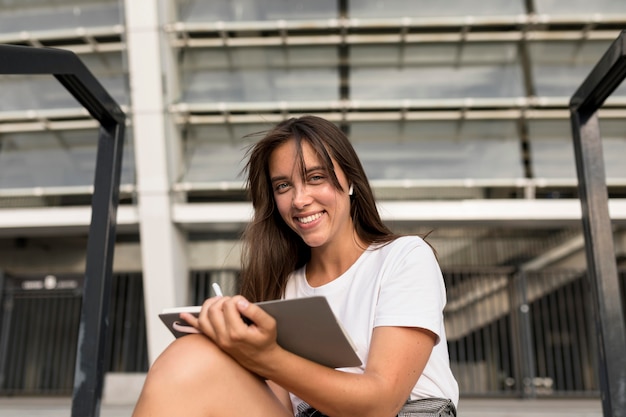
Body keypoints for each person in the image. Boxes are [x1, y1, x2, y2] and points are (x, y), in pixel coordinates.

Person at [132, 115, 459, 417]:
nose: (299, 200)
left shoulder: (403, 257)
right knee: (189, 354)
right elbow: (279, 405)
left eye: (316, 177)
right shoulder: (283, 286)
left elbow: (380, 404)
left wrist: (267, 356)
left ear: (350, 182)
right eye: (283, 186)